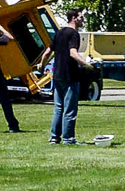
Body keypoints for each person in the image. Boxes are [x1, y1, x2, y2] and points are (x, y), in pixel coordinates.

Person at [37, 8, 90, 146]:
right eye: (81, 17)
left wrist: (42, 66)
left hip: (57, 75)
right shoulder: (74, 34)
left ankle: (54, 138)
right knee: (70, 109)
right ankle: (68, 138)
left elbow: (47, 53)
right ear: (74, 18)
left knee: (58, 108)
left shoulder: (59, 33)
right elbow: (73, 53)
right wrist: (86, 64)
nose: (82, 19)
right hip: (70, 75)